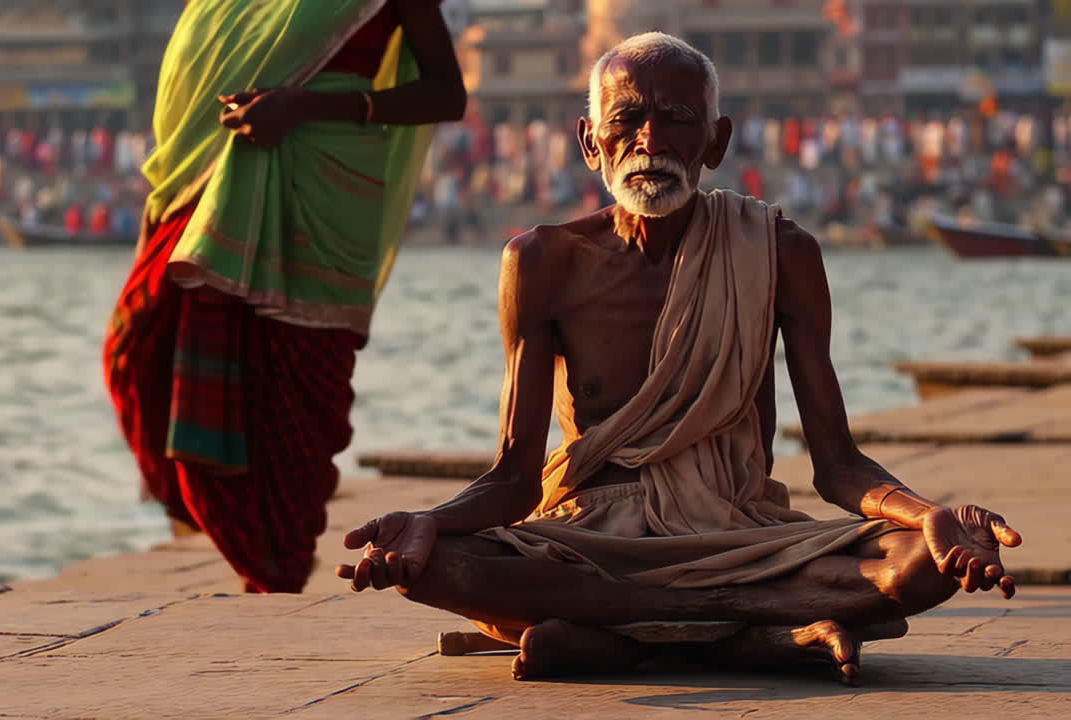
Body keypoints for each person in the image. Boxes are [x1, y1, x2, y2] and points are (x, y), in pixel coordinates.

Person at [337, 33, 1023, 684]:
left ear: (716, 141)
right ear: (589, 141)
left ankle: (615, 638)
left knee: (918, 565)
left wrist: (927, 514)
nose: (651, 141)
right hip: (591, 536)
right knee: (431, 566)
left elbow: (839, 465)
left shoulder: (780, 252)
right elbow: (514, 478)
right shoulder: (541, 262)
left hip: (740, 532)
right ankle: (751, 637)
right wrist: (431, 520)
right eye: (628, 117)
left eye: (678, 118)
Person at [104, 0, 465, 594]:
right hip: (214, 181)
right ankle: (248, 548)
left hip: (328, 185)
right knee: (137, 348)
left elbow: (446, 95)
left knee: (296, 397)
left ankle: (276, 570)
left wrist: (304, 106)